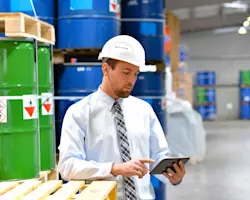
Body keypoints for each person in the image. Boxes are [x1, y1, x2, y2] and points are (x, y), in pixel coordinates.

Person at [58, 35, 186, 200]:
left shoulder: (144, 110)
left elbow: (157, 158)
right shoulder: (80, 113)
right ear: (106, 69)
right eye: (126, 73)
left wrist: (173, 175)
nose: (132, 80)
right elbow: (67, 167)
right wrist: (114, 168)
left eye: (135, 74)